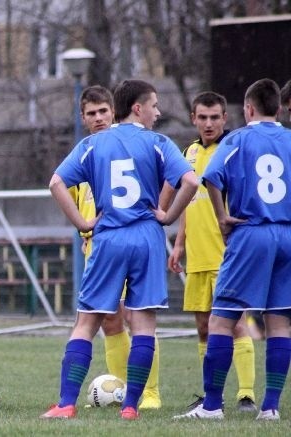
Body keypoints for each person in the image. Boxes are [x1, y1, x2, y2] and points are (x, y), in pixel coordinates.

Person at [42, 79, 198, 420]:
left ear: (116, 109)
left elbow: (56, 183)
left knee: (86, 323)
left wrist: (82, 224)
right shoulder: (158, 143)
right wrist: (168, 215)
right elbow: (191, 181)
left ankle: (66, 404)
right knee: (143, 324)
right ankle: (130, 408)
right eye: (154, 105)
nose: (158, 112)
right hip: (146, 237)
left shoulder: (93, 144)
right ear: (138, 108)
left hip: (109, 235)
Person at [175, 78, 291, 421]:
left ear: (248, 109)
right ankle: (270, 408)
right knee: (279, 324)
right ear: (280, 108)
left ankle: (211, 406)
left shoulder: (239, 139)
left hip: (250, 231)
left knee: (221, 321)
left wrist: (223, 217)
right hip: (286, 233)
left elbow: (210, 177)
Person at [69, 85, 161, 409]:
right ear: (83, 118)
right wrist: (84, 225)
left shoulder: (132, 148)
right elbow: (67, 192)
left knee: (137, 314)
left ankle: (148, 392)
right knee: (108, 319)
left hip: (128, 241)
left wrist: (158, 212)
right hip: (98, 249)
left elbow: (162, 181)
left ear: (114, 112)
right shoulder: (86, 153)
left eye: (103, 112)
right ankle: (120, 389)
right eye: (91, 114)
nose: (98, 118)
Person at [167, 91, 257, 413]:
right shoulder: (188, 152)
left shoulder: (234, 149)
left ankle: (245, 394)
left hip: (228, 255)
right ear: (193, 118)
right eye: (202, 117)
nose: (208, 123)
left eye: (214, 117)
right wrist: (178, 243)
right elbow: (190, 204)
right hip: (197, 255)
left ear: (225, 119)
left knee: (234, 324)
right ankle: (210, 395)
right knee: (204, 327)